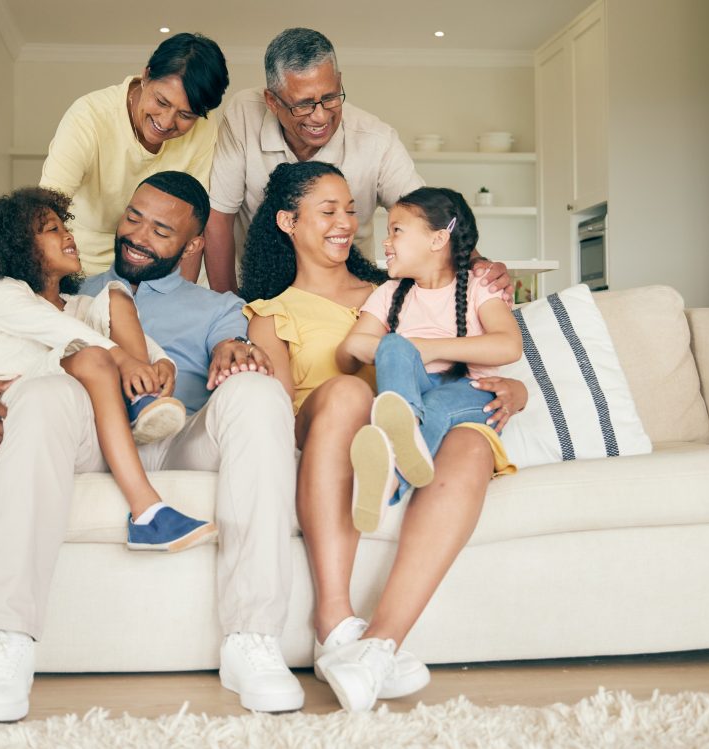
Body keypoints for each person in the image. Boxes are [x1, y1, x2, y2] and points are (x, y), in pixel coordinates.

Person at [0, 172, 306, 721]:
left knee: (257, 396)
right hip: (93, 436)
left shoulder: (215, 307)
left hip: (180, 434)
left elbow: (237, 347)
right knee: (44, 395)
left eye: (161, 230)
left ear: (192, 246)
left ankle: (252, 638)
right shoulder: (71, 293)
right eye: (133, 217)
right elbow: (4, 350)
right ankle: (8, 638)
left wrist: (234, 353)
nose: (138, 235)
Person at [240, 161, 526, 713]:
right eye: (329, 211)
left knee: (471, 440)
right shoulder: (270, 313)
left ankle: (377, 645)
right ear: (287, 222)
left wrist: (514, 390)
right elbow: (273, 415)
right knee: (349, 392)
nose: (347, 222)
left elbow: (468, 320)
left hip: (421, 416)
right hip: (334, 425)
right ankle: (333, 619)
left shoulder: (398, 286)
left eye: (352, 210)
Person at [0, 184, 214, 578]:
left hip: (83, 424)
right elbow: (63, 334)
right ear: (17, 248)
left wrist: (160, 364)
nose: (67, 235)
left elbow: (142, 345)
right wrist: (120, 361)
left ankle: (141, 398)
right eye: (50, 230)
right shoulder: (2, 293)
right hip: (17, 414)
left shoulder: (84, 305)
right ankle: (147, 509)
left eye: (63, 226)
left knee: (116, 298)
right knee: (92, 355)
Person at [205, 27, 518, 296]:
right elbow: (219, 217)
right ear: (272, 102)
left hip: (347, 290)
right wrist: (230, 309)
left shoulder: (375, 140)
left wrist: (476, 261)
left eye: (330, 97)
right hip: (262, 288)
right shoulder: (243, 114)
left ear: (339, 81)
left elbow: (430, 214)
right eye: (303, 105)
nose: (320, 116)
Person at [336, 187, 522, 532]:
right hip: (415, 395)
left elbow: (509, 346)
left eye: (396, 230)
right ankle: (402, 427)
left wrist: (432, 348)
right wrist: (398, 348)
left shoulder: (479, 285)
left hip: (472, 390)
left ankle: (390, 480)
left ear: (437, 240)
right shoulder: (389, 293)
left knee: (434, 403)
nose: (385, 241)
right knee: (392, 345)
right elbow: (350, 349)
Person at [39, 32, 228, 281]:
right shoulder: (89, 118)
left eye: (185, 115)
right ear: (146, 76)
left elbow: (193, 220)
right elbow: (42, 212)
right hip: (86, 265)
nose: (166, 121)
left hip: (162, 267)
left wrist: (183, 294)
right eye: (161, 102)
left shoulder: (204, 126)